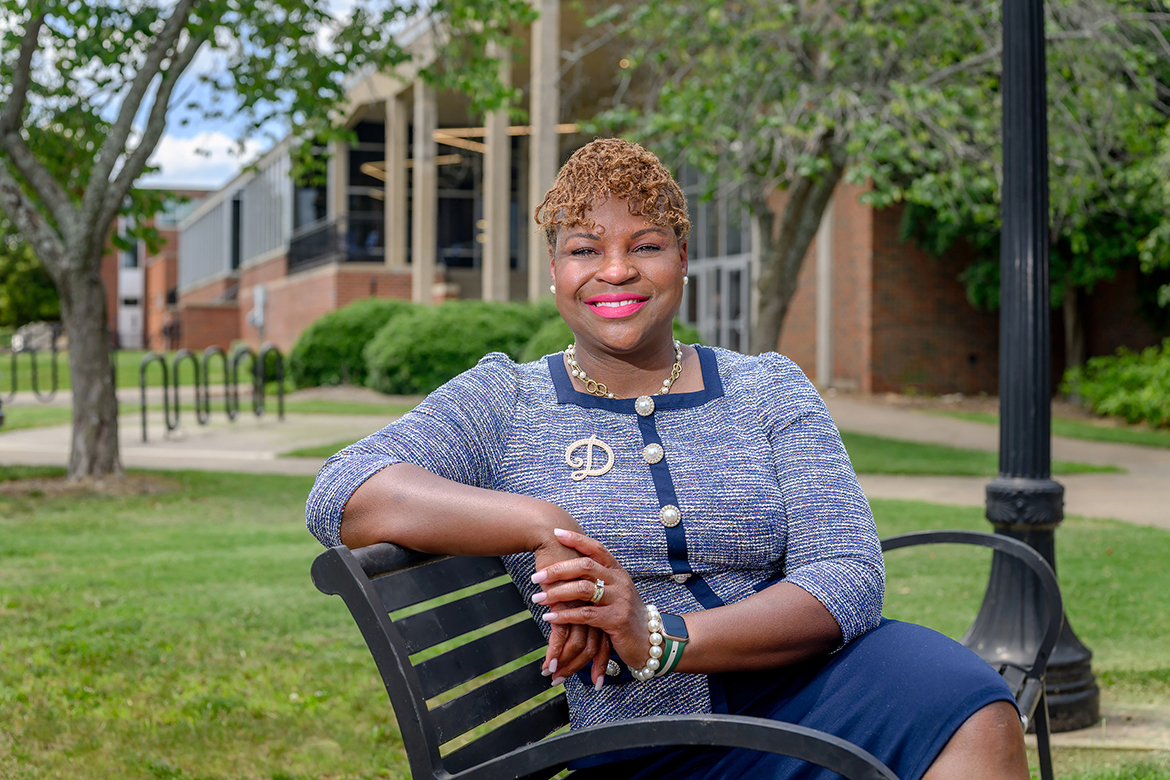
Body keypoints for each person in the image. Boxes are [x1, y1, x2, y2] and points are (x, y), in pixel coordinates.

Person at [306, 138, 1028, 780]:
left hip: (812, 684)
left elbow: (847, 571)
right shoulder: (506, 401)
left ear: (683, 257)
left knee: (971, 702)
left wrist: (661, 634)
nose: (615, 271)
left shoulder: (766, 386)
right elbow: (342, 495)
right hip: (649, 740)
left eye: (645, 245)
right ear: (554, 269)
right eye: (585, 249)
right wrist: (541, 523)